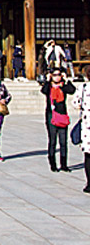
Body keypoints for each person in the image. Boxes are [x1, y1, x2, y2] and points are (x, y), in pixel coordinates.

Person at [41, 68, 75, 172]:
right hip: (51, 115)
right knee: (52, 141)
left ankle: (64, 164)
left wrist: (66, 79)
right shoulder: (49, 87)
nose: (57, 77)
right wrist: (47, 80)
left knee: (63, 141)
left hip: (62, 115)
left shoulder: (63, 86)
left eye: (59, 74)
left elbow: (72, 90)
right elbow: (44, 90)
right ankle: (53, 164)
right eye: (54, 75)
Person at [72, 66, 90, 194]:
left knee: (88, 156)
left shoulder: (83, 88)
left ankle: (89, 183)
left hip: (87, 125)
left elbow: (75, 103)